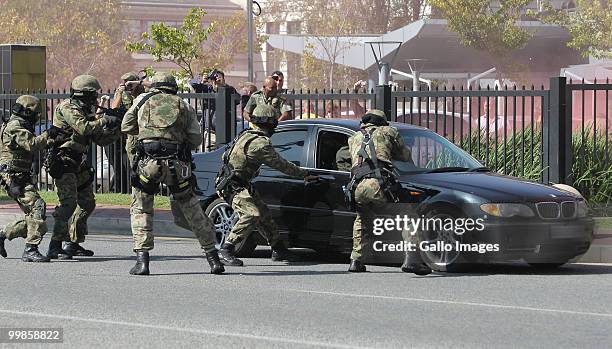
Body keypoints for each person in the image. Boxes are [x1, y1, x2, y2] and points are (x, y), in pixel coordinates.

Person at [121, 72, 224, 276]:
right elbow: (195, 138)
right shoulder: (182, 104)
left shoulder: (142, 100)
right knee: (193, 209)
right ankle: (213, 259)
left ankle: (142, 262)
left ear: (154, 86)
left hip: (147, 165)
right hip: (177, 166)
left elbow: (126, 126)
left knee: (141, 209)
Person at [215, 104, 318, 266]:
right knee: (252, 214)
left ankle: (279, 249)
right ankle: (226, 249)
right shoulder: (261, 144)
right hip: (233, 186)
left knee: (264, 216)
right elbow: (282, 165)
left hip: (237, 182)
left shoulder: (246, 135)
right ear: (271, 124)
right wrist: (305, 174)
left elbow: (224, 156)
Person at [346, 109, 431, 275]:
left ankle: (356, 261)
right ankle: (412, 259)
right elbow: (405, 156)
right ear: (382, 122)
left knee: (361, 219)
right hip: (378, 183)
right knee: (408, 214)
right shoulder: (389, 132)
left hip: (357, 185)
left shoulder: (354, 137)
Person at [47, 75, 122, 260]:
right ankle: (54, 246)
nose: (96, 98)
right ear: (85, 94)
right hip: (63, 162)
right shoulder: (68, 108)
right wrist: (104, 120)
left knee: (87, 203)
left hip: (78, 164)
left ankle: (73, 243)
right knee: (69, 204)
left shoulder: (85, 111)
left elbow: (100, 139)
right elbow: (84, 129)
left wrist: (118, 126)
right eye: (93, 94)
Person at [0, 95, 66, 262]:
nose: (37, 118)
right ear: (27, 112)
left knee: (33, 214)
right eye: (35, 114)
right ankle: (30, 249)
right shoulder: (15, 126)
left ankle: (3, 234)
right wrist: (47, 133)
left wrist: (54, 138)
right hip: (12, 177)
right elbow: (32, 143)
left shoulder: (19, 124)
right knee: (38, 206)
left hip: (20, 176)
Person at [105, 72, 145, 193]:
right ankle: (120, 189)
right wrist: (119, 93)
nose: (126, 84)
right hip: (120, 132)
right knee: (118, 165)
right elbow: (113, 109)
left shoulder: (142, 92)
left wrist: (137, 86)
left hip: (135, 131)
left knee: (131, 163)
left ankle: (133, 188)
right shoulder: (120, 93)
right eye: (124, 81)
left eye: (129, 82)